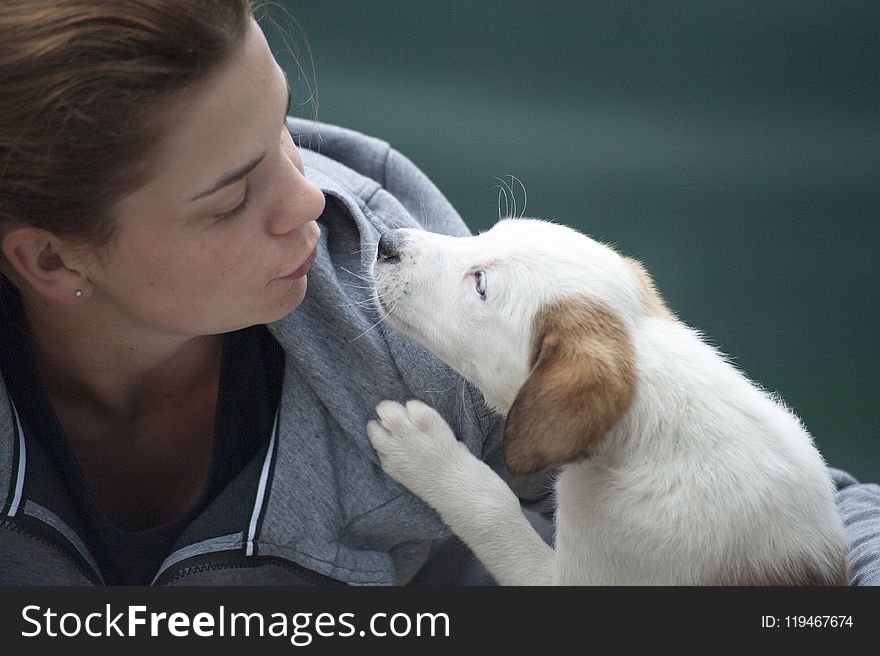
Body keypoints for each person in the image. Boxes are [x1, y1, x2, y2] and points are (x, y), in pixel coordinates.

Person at [0, 0, 876, 586]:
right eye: (233, 196)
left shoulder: (410, 331)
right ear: (50, 262)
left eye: (282, 128)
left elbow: (794, 517)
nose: (311, 198)